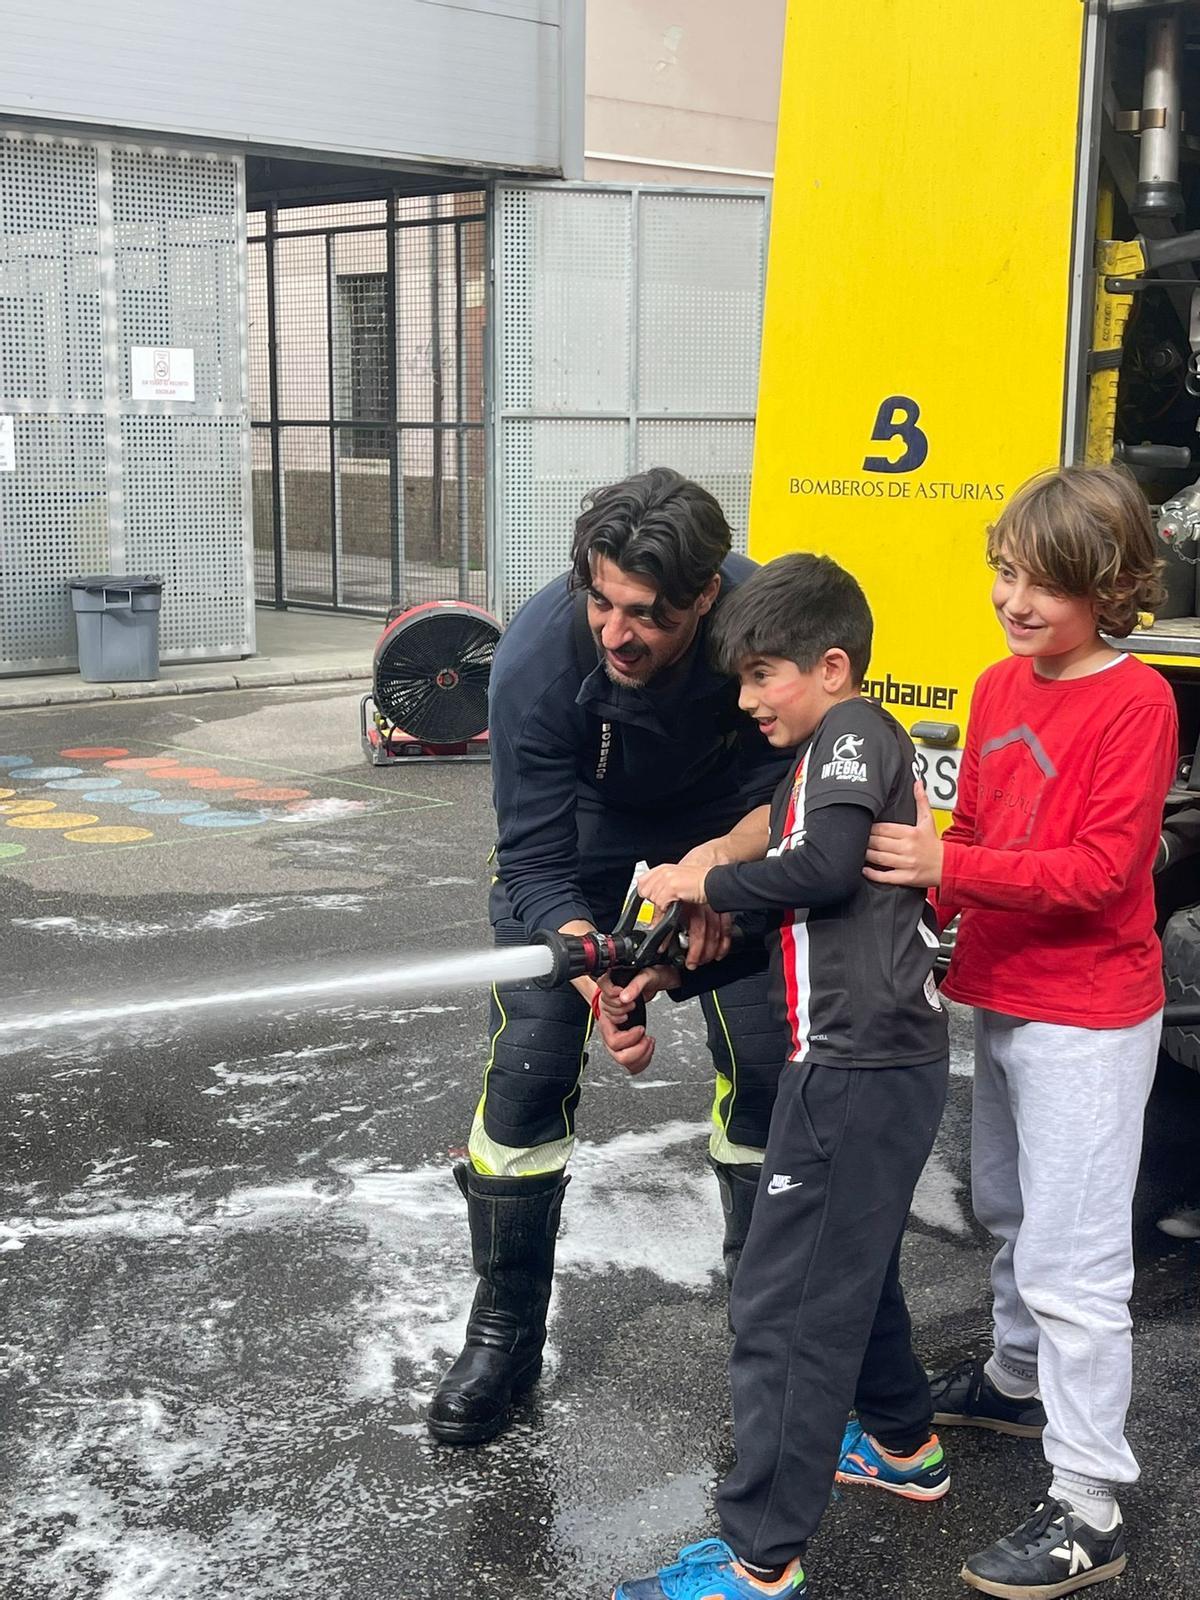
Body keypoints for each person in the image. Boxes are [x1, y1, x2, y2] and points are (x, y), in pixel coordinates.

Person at [608, 552, 950, 1600]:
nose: (749, 699)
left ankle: (760, 1560)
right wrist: (661, 967)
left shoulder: (851, 734)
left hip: (857, 1066)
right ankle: (902, 1445)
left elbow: (824, 871)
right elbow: (796, 908)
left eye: (763, 675)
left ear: (832, 665)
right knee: (846, 1269)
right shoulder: (822, 756)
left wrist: (707, 871)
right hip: (859, 1063)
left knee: (783, 1305)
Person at [427, 468, 793, 1447]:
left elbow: (794, 791)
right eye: (603, 601)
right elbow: (534, 862)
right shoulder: (541, 658)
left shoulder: (757, 627)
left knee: (767, 1066)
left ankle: (767, 1339)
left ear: (707, 597)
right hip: (575, 852)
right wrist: (597, 977)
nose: (616, 632)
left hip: (723, 847)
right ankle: (503, 1333)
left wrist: (712, 878)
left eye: (647, 614)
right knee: (527, 1076)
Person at [863, 464, 1177, 1597]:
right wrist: (920, 905)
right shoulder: (999, 688)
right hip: (1003, 997)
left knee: (1075, 1259)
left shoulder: (1136, 702)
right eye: (1005, 572)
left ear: (1113, 587)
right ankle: (1012, 1379)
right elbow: (979, 826)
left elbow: (1102, 874)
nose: (1016, 599)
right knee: (1004, 1203)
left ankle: (1090, 1504)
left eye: (1046, 581)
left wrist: (952, 864)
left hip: (1090, 1017)